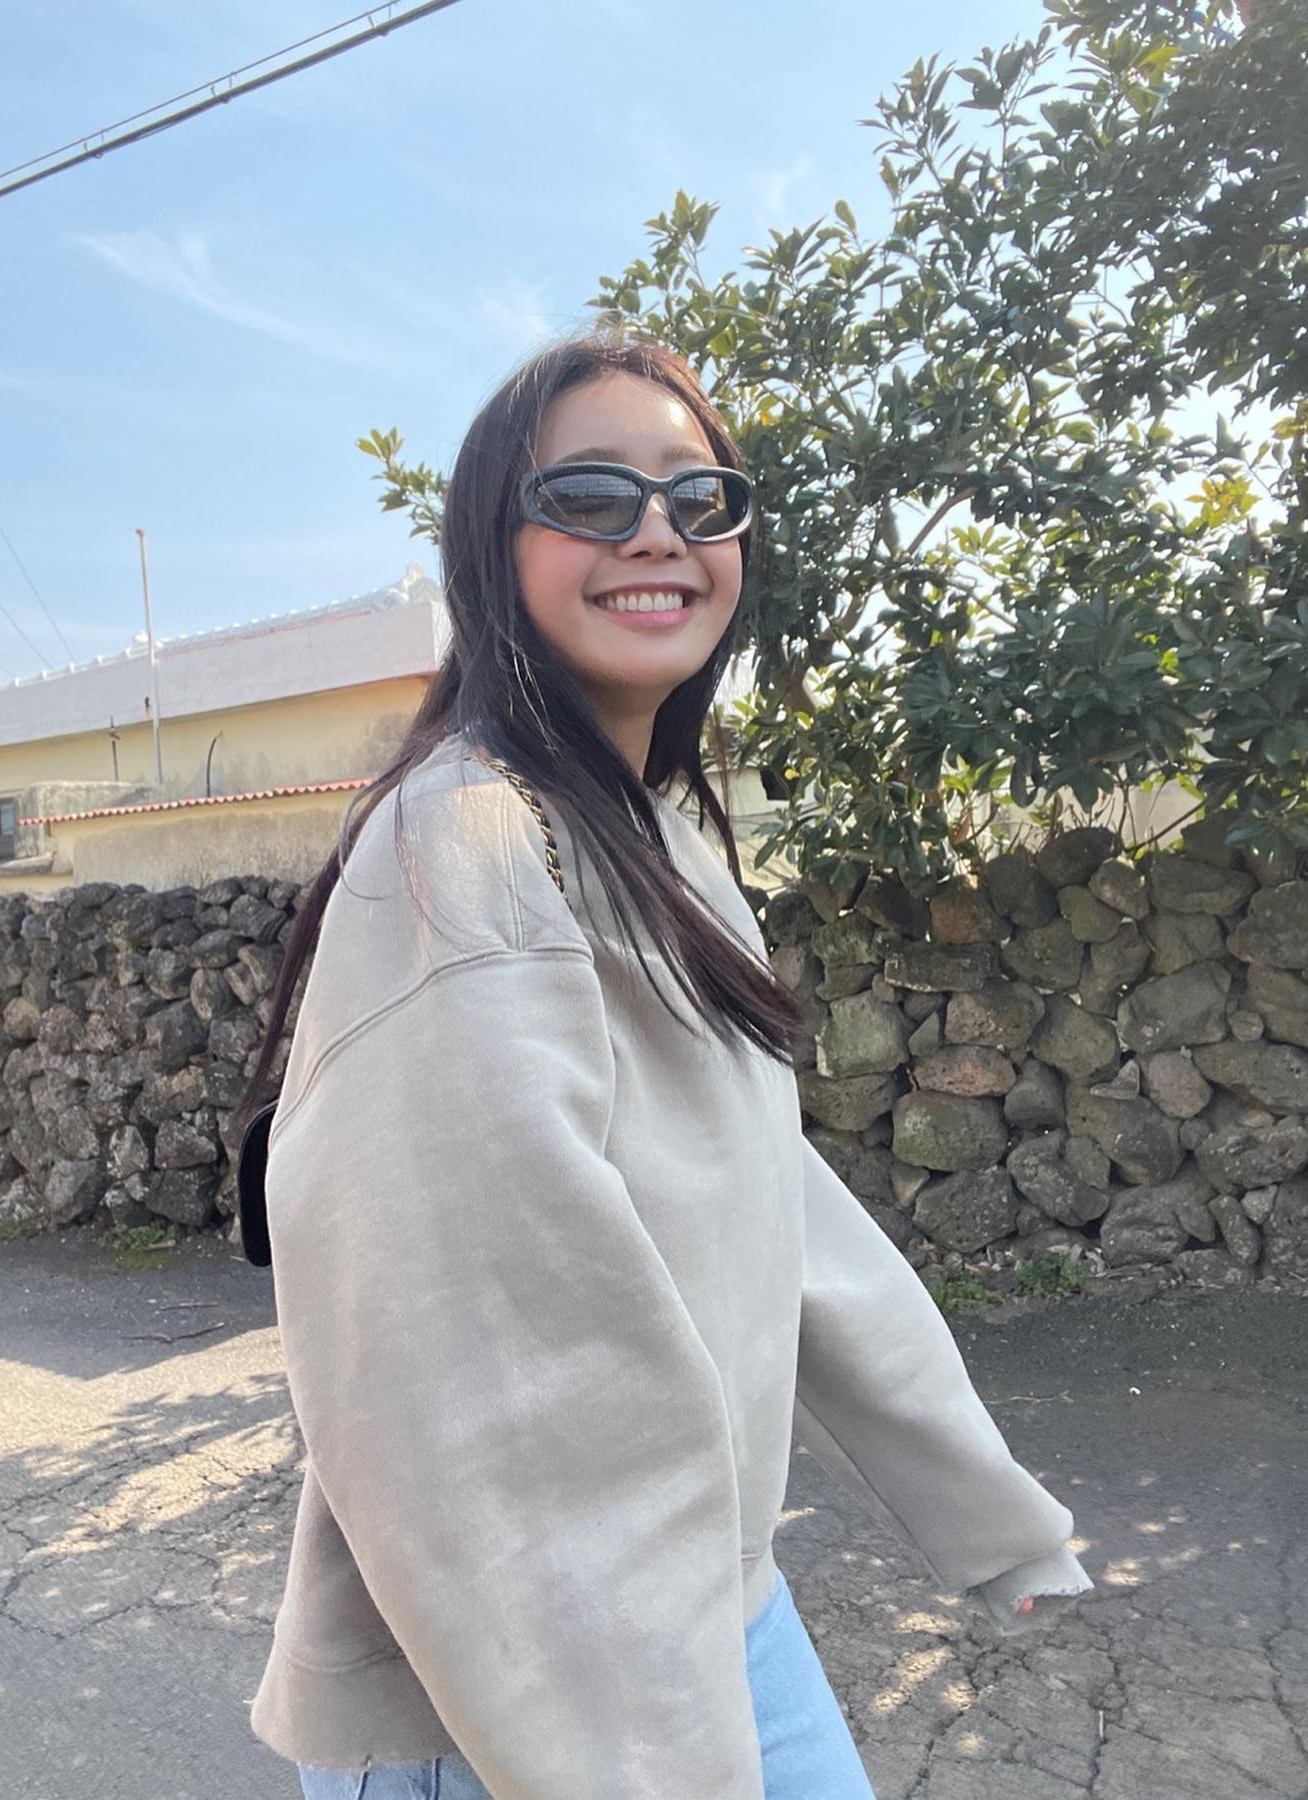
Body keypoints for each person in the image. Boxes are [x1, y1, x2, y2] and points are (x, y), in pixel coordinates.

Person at [233, 333, 1094, 1800]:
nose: (657, 534)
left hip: (701, 1605)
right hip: (513, 1685)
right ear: (491, 546)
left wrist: (986, 1507)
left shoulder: (658, 840)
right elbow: (472, 1360)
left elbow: (777, 1210)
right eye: (588, 494)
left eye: (702, 500)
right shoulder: (468, 839)